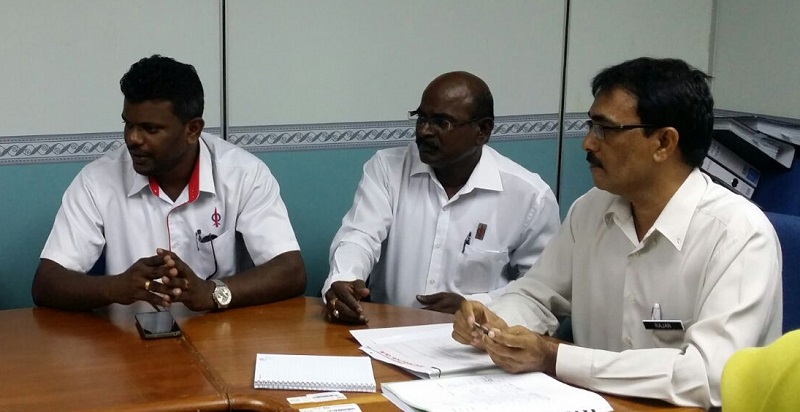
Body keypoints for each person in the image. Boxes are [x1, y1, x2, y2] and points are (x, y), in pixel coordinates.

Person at [452, 57, 782, 409]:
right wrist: (495, 320)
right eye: (591, 127)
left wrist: (555, 357)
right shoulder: (591, 209)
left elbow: (708, 377)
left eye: (605, 130)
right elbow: (537, 294)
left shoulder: (739, 235)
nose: (588, 144)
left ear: (664, 143)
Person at [32, 55, 306, 311]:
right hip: (128, 347)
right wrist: (114, 287)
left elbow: (290, 271)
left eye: (150, 129)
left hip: (222, 341)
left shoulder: (243, 174)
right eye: (129, 124)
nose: (133, 139)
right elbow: (46, 283)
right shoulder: (97, 181)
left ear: (192, 130)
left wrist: (212, 292)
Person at [322, 71, 560, 323]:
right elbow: (359, 236)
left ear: (483, 130)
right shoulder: (386, 169)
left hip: (476, 342)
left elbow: (542, 292)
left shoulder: (529, 196)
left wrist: (478, 305)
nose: (424, 131)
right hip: (387, 334)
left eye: (441, 122)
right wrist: (344, 278)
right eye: (421, 118)